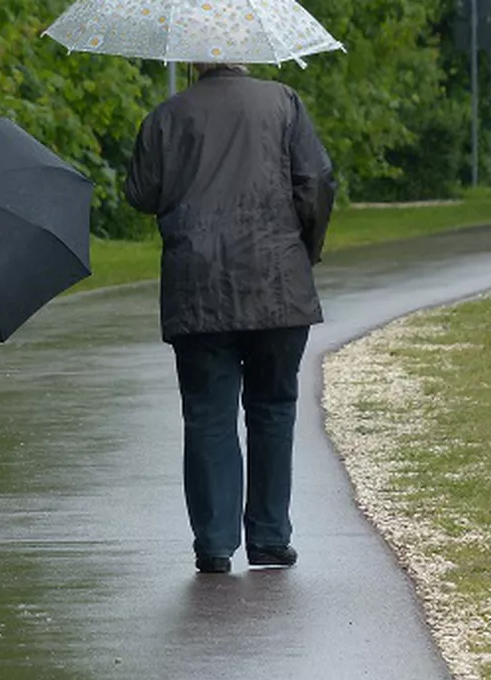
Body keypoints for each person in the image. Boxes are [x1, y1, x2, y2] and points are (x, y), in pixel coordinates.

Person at [124, 63, 336, 574]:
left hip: (198, 286)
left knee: (208, 415)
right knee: (273, 408)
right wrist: (305, 249)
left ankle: (215, 543)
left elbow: (140, 194)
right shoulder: (283, 103)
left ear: (193, 60)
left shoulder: (166, 116)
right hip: (278, 283)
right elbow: (316, 181)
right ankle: (269, 537)